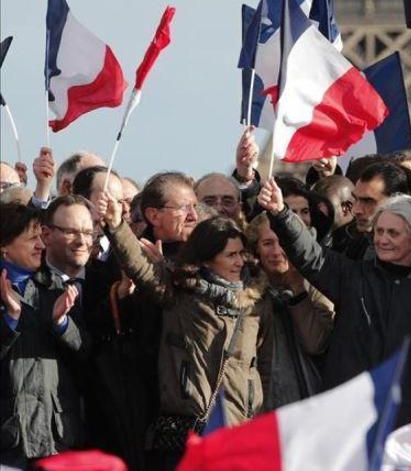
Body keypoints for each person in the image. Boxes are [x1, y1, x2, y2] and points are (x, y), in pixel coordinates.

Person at [97, 194, 272, 470]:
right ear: (206, 260)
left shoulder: (256, 303)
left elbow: (263, 366)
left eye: (242, 254)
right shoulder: (182, 295)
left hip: (240, 434)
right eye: (230, 255)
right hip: (189, 436)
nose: (240, 262)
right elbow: (142, 269)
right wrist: (117, 225)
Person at [258, 180, 411, 427]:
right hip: (350, 417)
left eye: (393, 233)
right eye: (379, 231)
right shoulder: (353, 277)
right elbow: (311, 255)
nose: (382, 240)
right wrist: (280, 213)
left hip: (407, 420)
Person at [1, 203, 86, 466]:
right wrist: (10, 318)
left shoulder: (57, 288)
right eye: (31, 239)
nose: (40, 245)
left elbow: (84, 352)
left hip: (55, 435)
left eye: (41, 237)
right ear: (4, 246)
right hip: (8, 439)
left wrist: (61, 322)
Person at [245, 213, 334, 409]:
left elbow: (316, 343)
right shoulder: (247, 292)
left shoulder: (317, 286)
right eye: (268, 243)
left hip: (312, 405)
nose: (277, 251)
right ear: (255, 249)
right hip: (264, 406)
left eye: (283, 242)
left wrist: (298, 290)